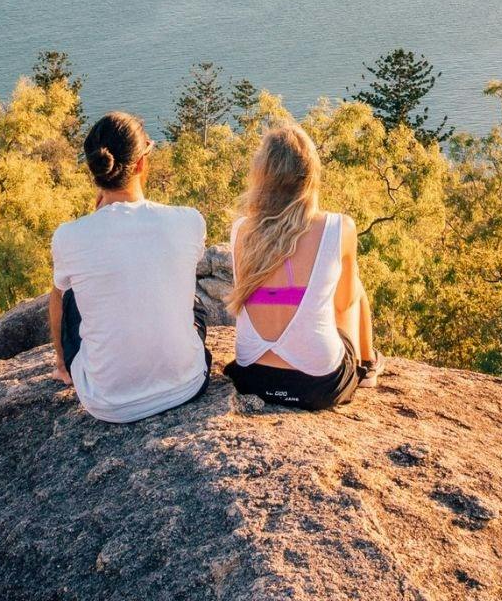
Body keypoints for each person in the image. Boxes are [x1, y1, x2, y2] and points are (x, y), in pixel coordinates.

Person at [47, 111, 209, 423]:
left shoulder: (69, 235)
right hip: (187, 385)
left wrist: (63, 359)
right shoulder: (189, 220)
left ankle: (62, 368)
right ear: (140, 163)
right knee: (192, 300)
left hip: (108, 403)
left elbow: (64, 300)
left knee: (65, 293)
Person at [224, 121, 377, 411]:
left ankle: (362, 363)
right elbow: (344, 306)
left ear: (262, 175)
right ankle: (367, 365)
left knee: (284, 291)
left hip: (251, 378)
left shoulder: (241, 230)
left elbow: (269, 296)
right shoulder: (338, 227)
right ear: (310, 175)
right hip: (318, 385)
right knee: (353, 285)